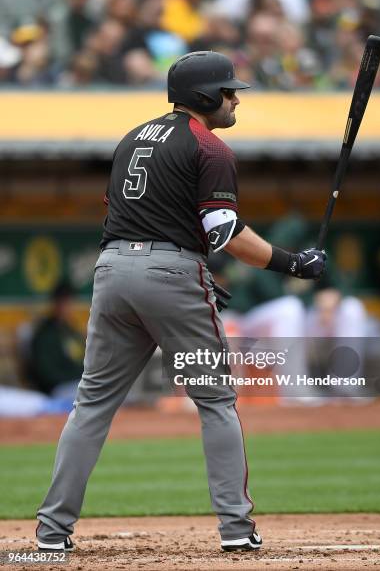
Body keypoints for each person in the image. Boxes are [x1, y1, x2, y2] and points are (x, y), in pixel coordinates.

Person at [35, 50, 326, 553]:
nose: (235, 99)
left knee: (92, 405)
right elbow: (224, 233)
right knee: (215, 400)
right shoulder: (209, 148)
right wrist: (292, 263)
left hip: (111, 271)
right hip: (169, 272)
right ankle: (237, 530)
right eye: (229, 91)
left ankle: (49, 534)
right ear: (206, 96)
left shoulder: (133, 138)